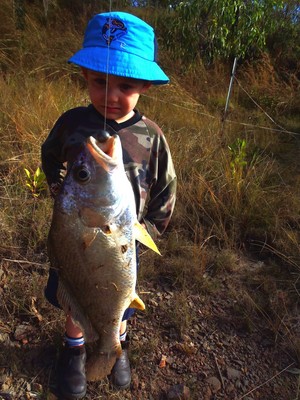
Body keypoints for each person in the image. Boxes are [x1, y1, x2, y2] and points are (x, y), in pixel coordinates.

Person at [41, 11, 176, 399]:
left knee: (118, 300)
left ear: (146, 86)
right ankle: (73, 350)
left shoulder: (151, 137)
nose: (110, 96)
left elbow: (166, 193)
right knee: (78, 295)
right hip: (77, 241)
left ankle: (114, 348)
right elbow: (49, 155)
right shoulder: (71, 124)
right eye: (100, 81)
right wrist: (60, 191)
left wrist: (145, 234)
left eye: (126, 85)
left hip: (123, 246)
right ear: (85, 76)